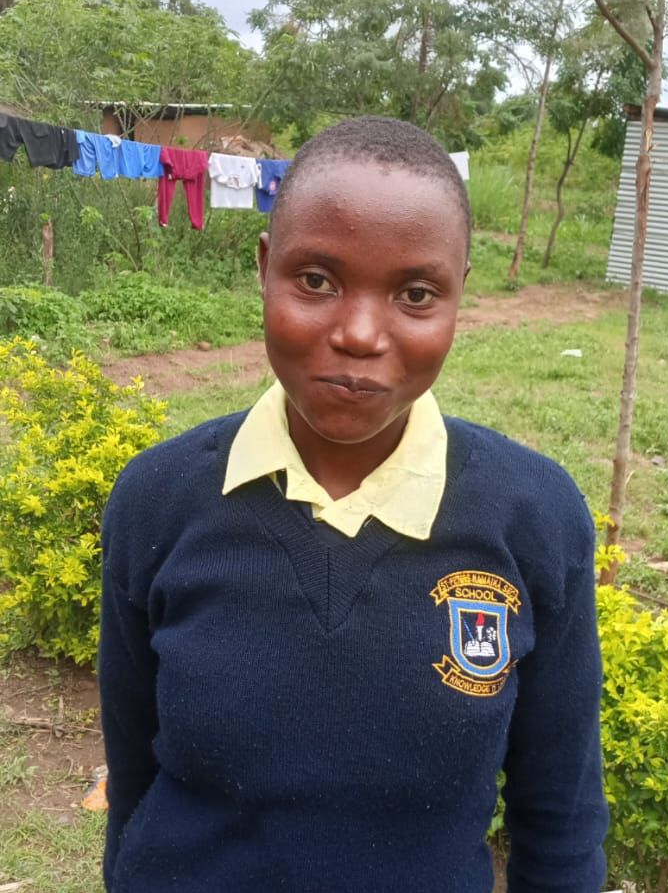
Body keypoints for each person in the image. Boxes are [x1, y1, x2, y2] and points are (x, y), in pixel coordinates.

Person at [99, 115, 608, 893]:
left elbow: (561, 819)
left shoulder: (534, 519)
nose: (361, 332)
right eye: (316, 280)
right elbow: (133, 782)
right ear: (264, 268)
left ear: (458, 298)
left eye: (415, 292)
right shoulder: (158, 503)